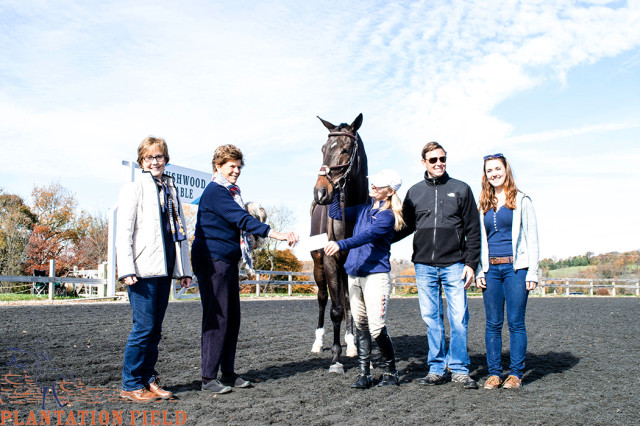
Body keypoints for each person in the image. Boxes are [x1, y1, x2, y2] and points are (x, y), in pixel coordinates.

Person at [191, 144, 299, 394]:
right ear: (218, 167)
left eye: (239, 167)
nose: (236, 171)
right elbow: (242, 219)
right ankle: (208, 378)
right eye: (232, 166)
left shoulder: (232, 192)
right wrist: (277, 234)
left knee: (232, 318)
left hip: (228, 259)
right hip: (212, 259)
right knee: (217, 317)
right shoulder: (216, 192)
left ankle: (227, 374)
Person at [394, 141, 481, 389]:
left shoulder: (462, 189)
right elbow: (405, 226)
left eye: (442, 158)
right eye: (433, 160)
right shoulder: (414, 192)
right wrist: (377, 239)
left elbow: (473, 230)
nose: (439, 163)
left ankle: (460, 369)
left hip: (455, 264)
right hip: (423, 266)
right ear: (424, 163)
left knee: (459, 318)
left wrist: (471, 263)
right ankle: (435, 368)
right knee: (431, 319)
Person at [116, 136, 193, 402]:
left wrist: (185, 269)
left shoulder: (170, 190)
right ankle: (130, 384)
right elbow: (123, 232)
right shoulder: (133, 189)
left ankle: (148, 380)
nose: (155, 161)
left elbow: (180, 232)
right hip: (142, 270)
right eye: (149, 157)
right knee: (143, 328)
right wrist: (126, 268)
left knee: (155, 330)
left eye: (159, 156)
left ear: (166, 159)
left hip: (165, 268)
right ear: (141, 162)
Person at [324, 169, 405, 389]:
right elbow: (337, 214)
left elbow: (366, 236)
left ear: (388, 192)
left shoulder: (388, 216)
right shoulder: (363, 209)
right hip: (354, 275)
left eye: (377, 186)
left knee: (377, 328)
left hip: (375, 276)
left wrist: (341, 244)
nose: (372, 187)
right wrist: (336, 194)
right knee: (360, 324)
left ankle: (391, 371)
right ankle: (364, 373)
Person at [475, 153, 539, 389]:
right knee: (492, 323)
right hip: (491, 269)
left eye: (497, 169)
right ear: (486, 175)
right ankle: (494, 373)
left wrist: (533, 272)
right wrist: (480, 270)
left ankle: (515, 374)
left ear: (506, 170)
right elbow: (479, 240)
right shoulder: (482, 202)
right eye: (489, 170)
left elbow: (532, 238)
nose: (494, 174)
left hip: (515, 269)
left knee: (516, 323)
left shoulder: (522, 200)